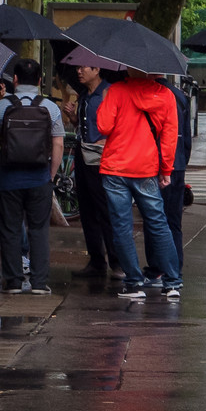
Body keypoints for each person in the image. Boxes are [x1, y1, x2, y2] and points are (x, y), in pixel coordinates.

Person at [95, 67, 179, 299]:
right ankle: (172, 282)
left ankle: (134, 283)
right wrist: (166, 170)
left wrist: (104, 101)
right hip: (147, 168)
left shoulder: (116, 91)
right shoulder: (166, 96)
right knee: (158, 224)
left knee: (122, 227)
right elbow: (170, 137)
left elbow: (103, 127)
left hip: (116, 168)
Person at [0, 59, 62, 295]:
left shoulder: (1, 108)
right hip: (39, 179)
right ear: (40, 81)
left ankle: (14, 282)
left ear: (15, 80)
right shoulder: (50, 108)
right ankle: (39, 283)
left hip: (8, 179)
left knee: (9, 230)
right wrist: (50, 174)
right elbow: (58, 143)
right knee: (38, 229)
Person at [67, 64, 115, 279]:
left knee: (105, 209)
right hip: (83, 153)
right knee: (86, 209)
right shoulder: (85, 96)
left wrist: (109, 140)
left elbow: (118, 124)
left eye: (84, 68)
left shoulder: (109, 93)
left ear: (97, 70)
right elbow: (84, 126)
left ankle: (117, 261)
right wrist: (74, 119)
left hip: (102, 157)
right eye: (78, 68)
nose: (79, 71)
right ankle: (96, 261)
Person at [154, 74, 193, 286]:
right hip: (177, 164)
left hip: (158, 163)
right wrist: (182, 161)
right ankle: (175, 267)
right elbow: (186, 137)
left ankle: (160, 269)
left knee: (156, 220)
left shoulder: (152, 93)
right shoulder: (180, 96)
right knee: (173, 221)